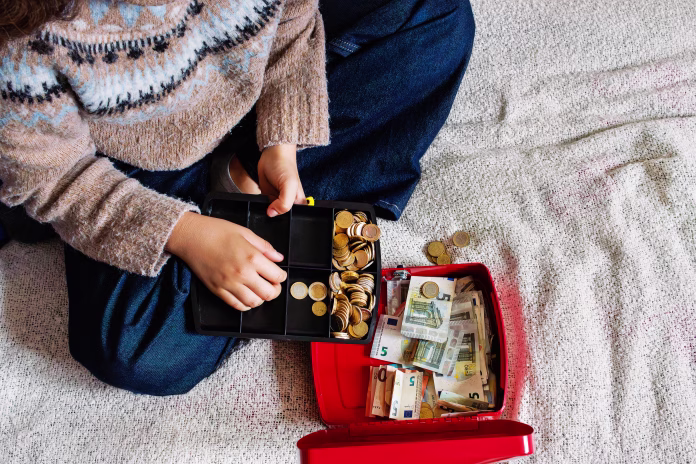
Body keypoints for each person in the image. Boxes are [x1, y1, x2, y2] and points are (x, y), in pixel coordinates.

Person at [0, 0, 475, 395]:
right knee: (136, 351)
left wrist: (281, 143)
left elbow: (293, 23)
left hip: (243, 98)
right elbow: (52, 177)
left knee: (435, 16)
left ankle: (239, 176)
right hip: (120, 162)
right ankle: (224, 202)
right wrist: (184, 234)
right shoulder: (26, 40)